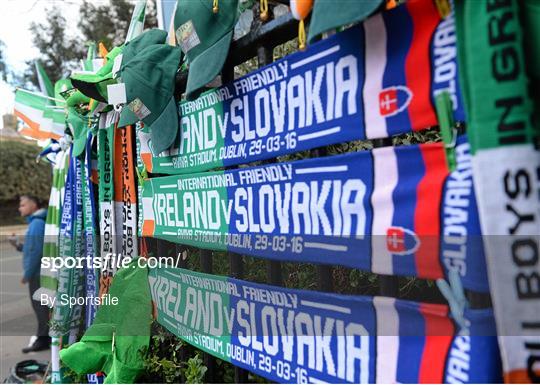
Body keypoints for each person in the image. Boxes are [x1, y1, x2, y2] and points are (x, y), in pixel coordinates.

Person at [9, 194, 50, 353]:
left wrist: (27, 274)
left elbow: (35, 252)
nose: (20, 208)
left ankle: (43, 339)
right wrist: (18, 245)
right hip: (41, 272)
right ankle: (45, 337)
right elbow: (31, 248)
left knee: (40, 307)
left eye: (23, 205)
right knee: (42, 306)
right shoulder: (37, 223)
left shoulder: (37, 224)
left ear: (34, 205)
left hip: (38, 273)